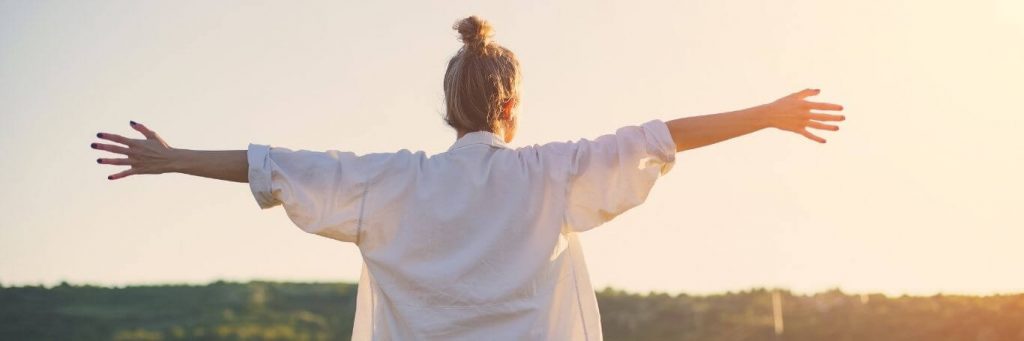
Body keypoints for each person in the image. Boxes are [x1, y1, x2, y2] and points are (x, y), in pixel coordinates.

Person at [91, 16, 843, 341]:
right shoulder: (553, 174)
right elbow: (663, 136)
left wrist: (171, 157)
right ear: (511, 105)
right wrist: (768, 112)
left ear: (449, 107)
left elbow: (273, 166)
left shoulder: (391, 183)